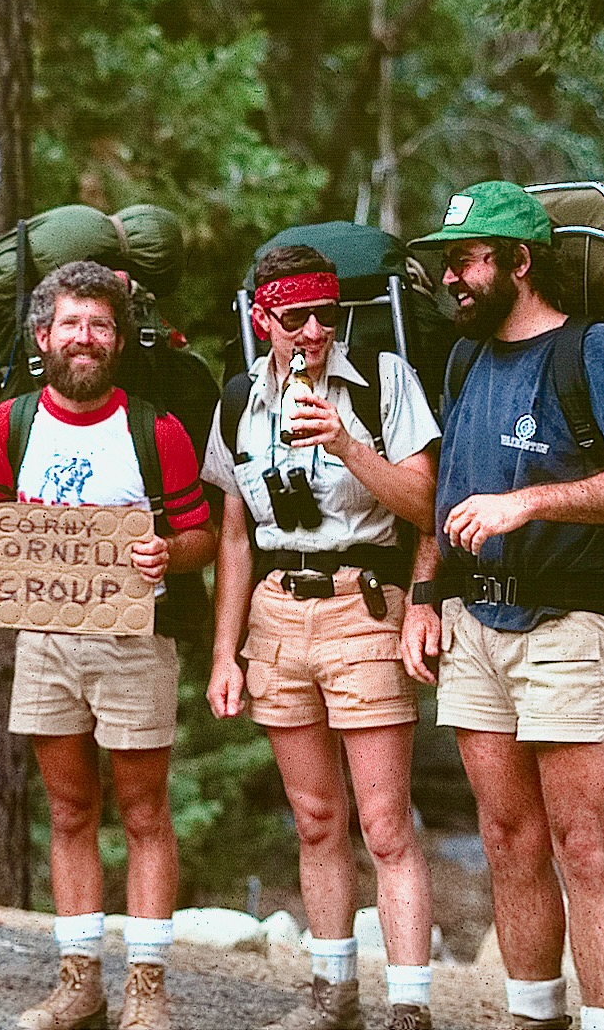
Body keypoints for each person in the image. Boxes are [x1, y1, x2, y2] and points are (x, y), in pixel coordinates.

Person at [401, 181, 604, 1030]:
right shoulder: (465, 359)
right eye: (447, 264)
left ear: (520, 261)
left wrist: (531, 502)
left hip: (573, 625)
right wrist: (424, 596)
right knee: (506, 840)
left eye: (467, 261)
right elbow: (446, 498)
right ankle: (531, 1018)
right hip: (473, 625)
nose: (452, 279)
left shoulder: (592, 349)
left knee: (584, 847)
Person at [0, 261, 216, 1030]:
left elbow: (201, 535)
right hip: (45, 639)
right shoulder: (7, 426)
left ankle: (147, 987)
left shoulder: (155, 430)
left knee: (144, 811)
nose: (85, 338)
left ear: (120, 340)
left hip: (133, 639)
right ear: (43, 336)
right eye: (71, 324)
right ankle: (78, 982)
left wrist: (170, 552)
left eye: (100, 325)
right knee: (68, 811)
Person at [201, 245, 441, 1030]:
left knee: (386, 825)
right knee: (314, 819)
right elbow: (234, 535)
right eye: (296, 317)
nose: (313, 332)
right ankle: (333, 994)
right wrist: (225, 653)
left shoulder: (381, 378)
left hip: (362, 605)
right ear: (261, 316)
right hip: (276, 612)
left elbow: (425, 506)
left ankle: (408, 1005)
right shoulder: (240, 398)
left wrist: (345, 444)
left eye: (326, 316)